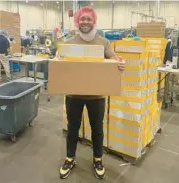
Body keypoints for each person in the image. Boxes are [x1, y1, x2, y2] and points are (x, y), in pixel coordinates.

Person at [59, 6, 125, 180]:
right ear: (77, 21)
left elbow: (113, 57)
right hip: (74, 95)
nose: (85, 22)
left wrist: (119, 62)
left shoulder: (103, 42)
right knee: (73, 128)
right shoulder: (69, 42)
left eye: (89, 19)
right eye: (82, 19)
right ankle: (69, 158)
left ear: (94, 21)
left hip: (96, 96)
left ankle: (97, 159)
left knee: (97, 129)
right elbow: (61, 62)